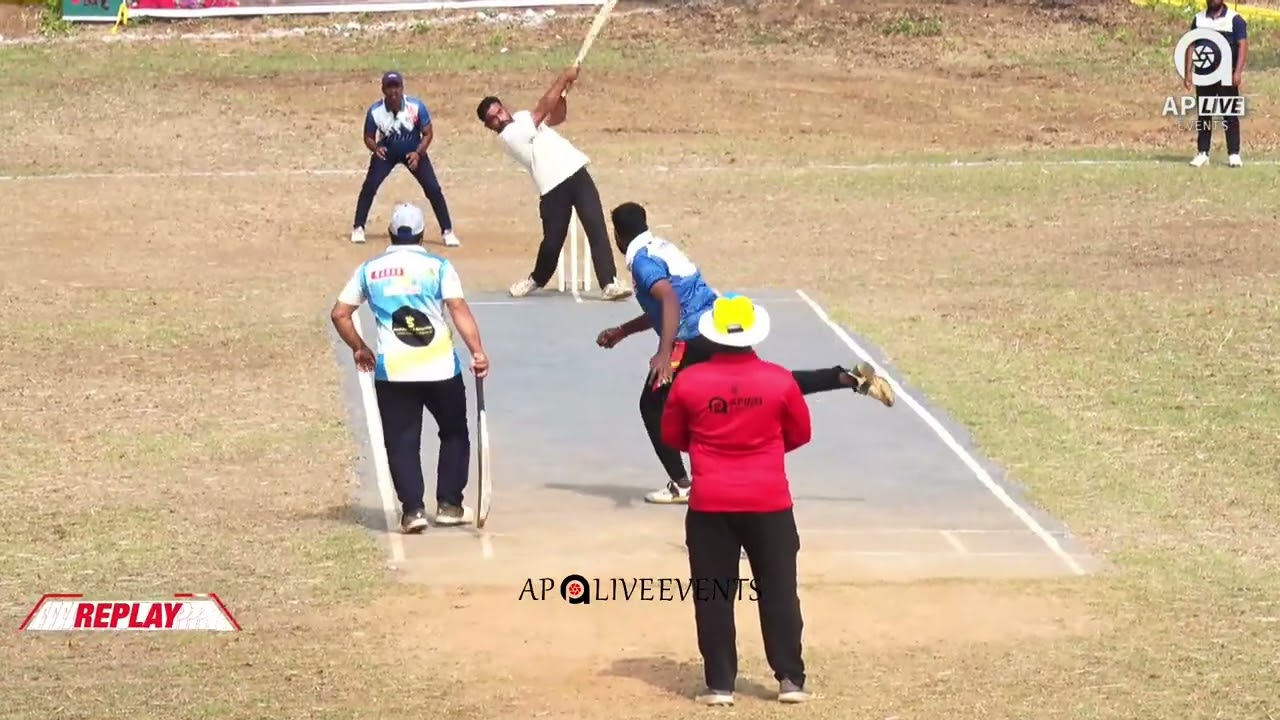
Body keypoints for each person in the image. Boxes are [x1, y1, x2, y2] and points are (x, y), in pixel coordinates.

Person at [595, 201, 894, 505]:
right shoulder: (659, 247)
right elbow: (665, 307)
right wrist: (623, 331)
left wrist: (663, 353)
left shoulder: (642, 262)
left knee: (652, 405)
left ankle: (683, 484)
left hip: (691, 339)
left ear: (617, 236)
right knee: (766, 383)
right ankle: (846, 378)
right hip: (718, 329)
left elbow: (669, 301)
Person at [659, 293, 812, 706]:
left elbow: (672, 436)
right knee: (779, 589)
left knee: (713, 593)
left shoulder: (689, 382)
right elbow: (800, 434)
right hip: (770, 503)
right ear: (753, 335)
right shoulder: (780, 380)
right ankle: (790, 680)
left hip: (710, 505)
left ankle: (720, 684)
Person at [330, 202, 488, 531]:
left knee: (401, 441)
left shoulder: (369, 270)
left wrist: (360, 348)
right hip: (441, 369)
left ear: (390, 232)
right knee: (455, 433)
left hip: (394, 372)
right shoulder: (439, 266)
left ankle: (413, 511)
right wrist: (478, 351)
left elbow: (339, 314)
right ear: (421, 234)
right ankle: (449, 505)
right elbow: (458, 309)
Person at [475, 67, 632, 301]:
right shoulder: (508, 137)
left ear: (504, 107)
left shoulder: (520, 117)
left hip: (576, 172)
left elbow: (556, 117)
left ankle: (609, 283)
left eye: (499, 111)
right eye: (493, 119)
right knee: (552, 242)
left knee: (596, 227)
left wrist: (562, 95)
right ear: (489, 126)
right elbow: (541, 110)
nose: (499, 118)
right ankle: (536, 279)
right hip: (552, 187)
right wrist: (562, 79)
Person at [352, 71, 460, 247]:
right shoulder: (375, 111)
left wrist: (418, 153)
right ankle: (358, 227)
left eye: (396, 87)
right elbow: (368, 136)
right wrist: (375, 148)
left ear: (402, 88)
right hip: (387, 152)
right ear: (383, 89)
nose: (393, 91)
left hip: (414, 151)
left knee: (433, 188)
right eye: (389, 87)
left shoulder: (416, 107)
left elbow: (427, 133)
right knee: (370, 186)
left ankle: (447, 231)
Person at [1184, 0, 1248, 168]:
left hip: (1227, 74)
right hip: (1205, 74)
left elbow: (1242, 45)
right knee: (1204, 114)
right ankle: (1202, 153)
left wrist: (1238, 71)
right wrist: (1188, 72)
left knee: (1230, 113)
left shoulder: (1235, 19)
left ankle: (1234, 154)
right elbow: (1191, 44)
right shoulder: (1198, 19)